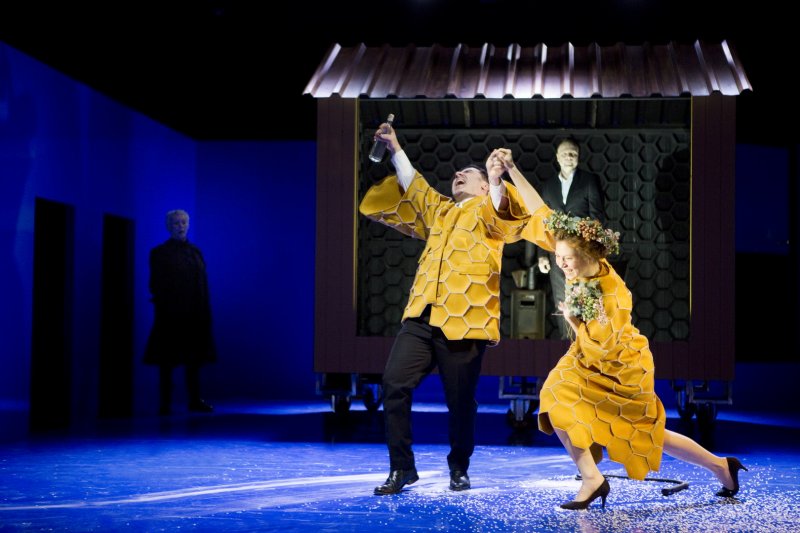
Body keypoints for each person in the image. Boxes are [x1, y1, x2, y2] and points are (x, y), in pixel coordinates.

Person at [487, 147, 747, 510]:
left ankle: (721, 466)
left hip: (620, 365)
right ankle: (592, 478)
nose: (562, 264)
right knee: (555, 399)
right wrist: (512, 169)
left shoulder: (610, 294)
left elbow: (604, 342)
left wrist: (573, 321)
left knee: (648, 433)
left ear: (589, 256)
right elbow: (538, 209)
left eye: (568, 260)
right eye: (558, 257)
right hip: (585, 357)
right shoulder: (571, 245)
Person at [359, 123, 534, 495]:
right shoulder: (440, 211)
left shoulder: (489, 210)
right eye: (457, 172)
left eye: (468, 173)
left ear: (483, 187)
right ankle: (402, 468)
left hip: (464, 321)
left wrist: (495, 177)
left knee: (460, 401)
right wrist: (394, 147)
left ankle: (459, 467)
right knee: (394, 382)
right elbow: (415, 185)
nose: (458, 174)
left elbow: (505, 208)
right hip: (423, 315)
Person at [144, 209, 216, 415]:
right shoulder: (160, 253)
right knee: (166, 360)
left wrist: (203, 311)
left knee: (194, 359)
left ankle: (194, 400)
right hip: (171, 315)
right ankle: (165, 403)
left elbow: (202, 284)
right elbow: (156, 284)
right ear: (169, 226)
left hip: (195, 314)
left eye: (183, 222)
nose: (180, 226)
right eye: (176, 223)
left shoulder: (195, 252)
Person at [537, 138, 605, 339]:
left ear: (578, 157)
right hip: (557, 253)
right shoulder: (548, 186)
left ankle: (588, 340)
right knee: (561, 297)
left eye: (573, 153)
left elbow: (597, 216)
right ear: (557, 157)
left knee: (584, 296)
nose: (569, 156)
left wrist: (593, 248)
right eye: (565, 153)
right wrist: (542, 254)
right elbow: (543, 221)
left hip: (583, 252)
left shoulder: (589, 180)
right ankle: (566, 342)